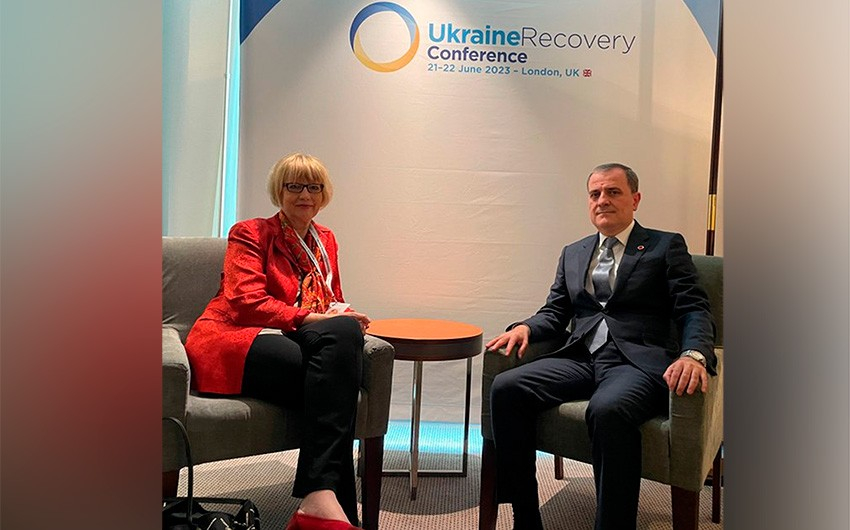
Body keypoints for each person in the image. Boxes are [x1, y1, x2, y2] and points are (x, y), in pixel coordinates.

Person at [485, 163, 716, 530]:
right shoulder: (574, 252)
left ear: (635, 199)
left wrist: (694, 355)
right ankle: (525, 517)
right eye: (595, 194)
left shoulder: (665, 245)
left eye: (613, 192)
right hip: (581, 357)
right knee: (507, 387)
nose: (602, 200)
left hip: (636, 362)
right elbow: (556, 311)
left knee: (607, 409)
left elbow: (693, 308)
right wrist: (526, 327)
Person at [185, 153, 371, 530]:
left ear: (324, 193)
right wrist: (312, 318)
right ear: (278, 191)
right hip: (235, 336)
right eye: (294, 186)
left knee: (345, 338)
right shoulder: (251, 232)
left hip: (292, 338)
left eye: (314, 187)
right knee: (337, 384)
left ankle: (322, 506)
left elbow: (330, 296)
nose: (305, 195)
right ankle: (326, 508)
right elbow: (245, 301)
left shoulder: (326, 239)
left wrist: (344, 313)